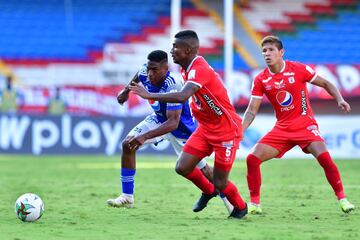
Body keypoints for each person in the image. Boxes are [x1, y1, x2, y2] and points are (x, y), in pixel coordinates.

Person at [130, 31, 247, 219]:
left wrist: (149, 95)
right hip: (206, 128)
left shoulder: (198, 68)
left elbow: (183, 96)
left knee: (220, 180)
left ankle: (241, 207)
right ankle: (209, 191)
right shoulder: (185, 68)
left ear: (188, 50)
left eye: (176, 47)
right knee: (182, 167)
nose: (172, 50)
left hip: (226, 130)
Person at [107, 50, 233, 213]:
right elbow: (140, 73)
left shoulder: (173, 83)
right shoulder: (146, 70)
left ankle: (230, 202)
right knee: (127, 144)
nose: (150, 73)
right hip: (159, 119)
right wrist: (126, 91)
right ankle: (127, 196)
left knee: (204, 169)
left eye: (155, 70)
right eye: (149, 68)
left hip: (181, 128)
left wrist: (144, 137)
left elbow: (173, 122)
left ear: (165, 67)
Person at [242, 35, 355, 214]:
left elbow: (326, 83)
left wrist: (339, 99)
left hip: (305, 124)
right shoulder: (261, 79)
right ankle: (255, 204)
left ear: (281, 52)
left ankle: (343, 199)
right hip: (282, 128)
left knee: (325, 159)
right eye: (264, 50)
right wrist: (240, 130)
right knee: (252, 159)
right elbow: (251, 110)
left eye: (271, 50)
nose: (267, 54)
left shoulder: (298, 69)